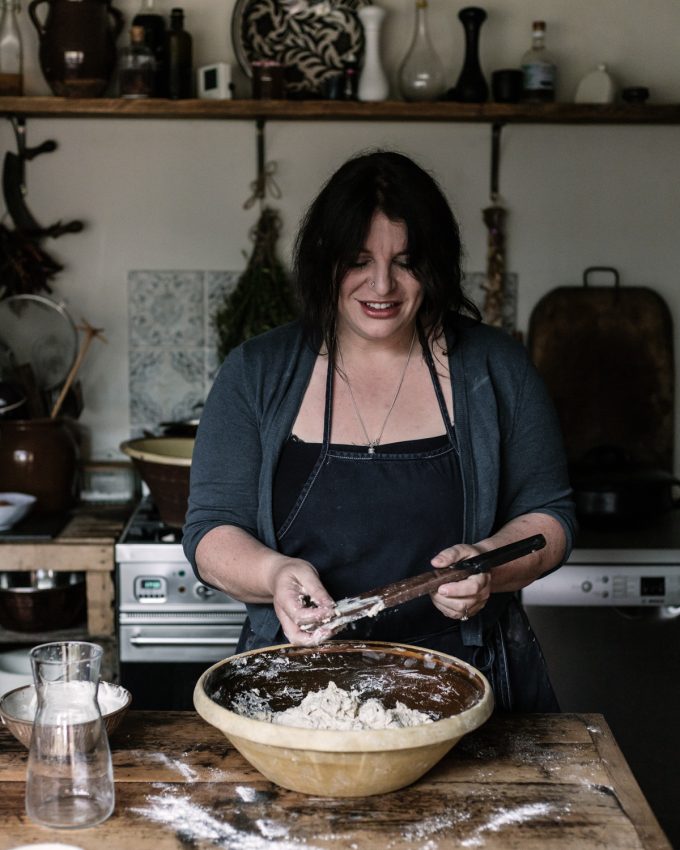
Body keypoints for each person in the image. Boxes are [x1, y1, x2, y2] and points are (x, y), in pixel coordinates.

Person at [183, 150, 576, 712]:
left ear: (435, 265)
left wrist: (488, 561)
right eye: (358, 260)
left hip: (470, 691)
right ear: (324, 262)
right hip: (296, 695)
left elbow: (551, 518)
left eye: (407, 261)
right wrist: (275, 573)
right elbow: (210, 530)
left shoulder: (496, 369)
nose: (383, 284)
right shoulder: (257, 372)